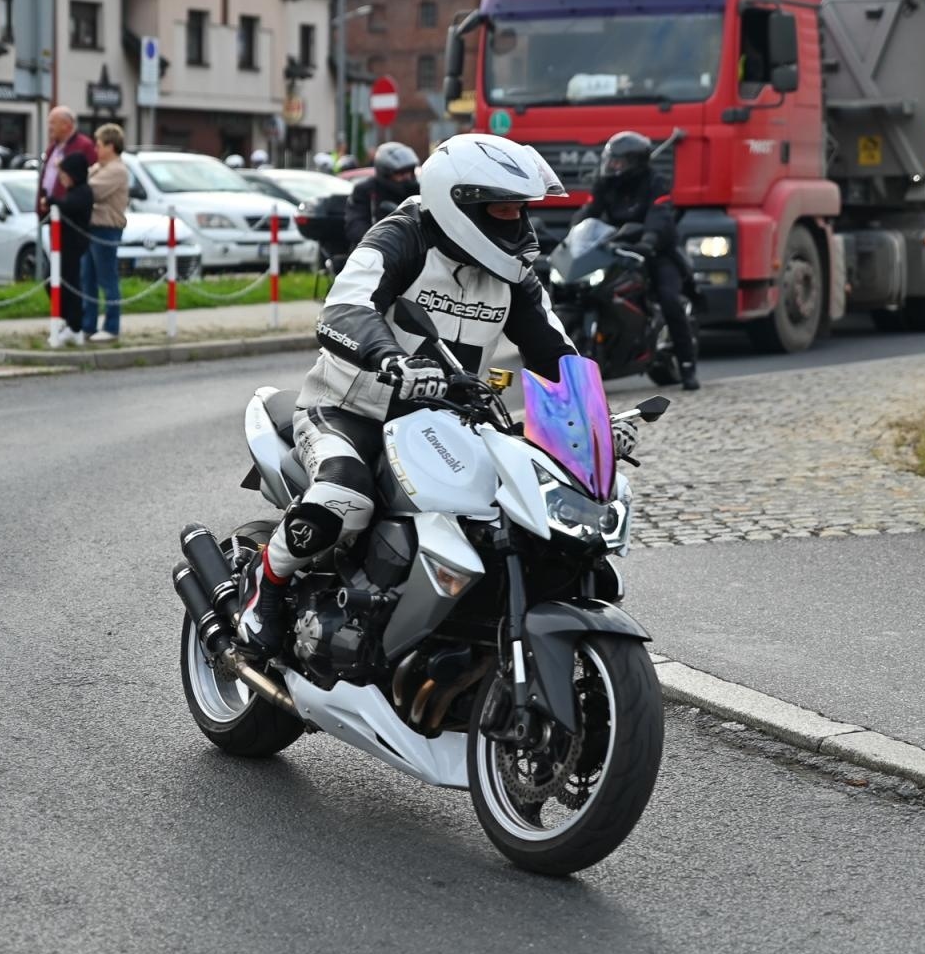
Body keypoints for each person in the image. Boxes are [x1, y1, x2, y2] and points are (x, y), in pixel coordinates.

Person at [234, 133, 641, 655]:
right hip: (349, 410)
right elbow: (343, 309)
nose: (515, 222)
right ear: (457, 202)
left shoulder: (511, 273)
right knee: (346, 497)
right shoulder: (401, 237)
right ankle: (266, 590)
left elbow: (557, 352)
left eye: (520, 209)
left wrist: (596, 422)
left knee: (510, 512)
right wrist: (391, 360)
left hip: (451, 421)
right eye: (501, 209)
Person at [569, 130, 700, 391]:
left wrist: (648, 240)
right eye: (611, 160)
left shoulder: (655, 182)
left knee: (669, 299)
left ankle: (687, 366)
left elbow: (659, 215)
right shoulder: (605, 183)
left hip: (655, 250)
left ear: (635, 162)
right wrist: (574, 235)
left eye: (619, 162)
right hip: (615, 247)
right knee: (585, 290)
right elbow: (589, 212)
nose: (613, 166)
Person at [82, 122, 130, 343]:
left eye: (99, 145)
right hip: (91, 227)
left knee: (106, 279)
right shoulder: (99, 167)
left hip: (106, 229)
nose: (96, 149)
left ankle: (112, 326)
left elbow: (90, 191)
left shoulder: (116, 170)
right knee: (87, 279)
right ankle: (88, 324)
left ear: (111, 146)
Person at [344, 141, 419, 251]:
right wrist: (382, 240)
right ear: (385, 172)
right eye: (401, 173)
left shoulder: (417, 191)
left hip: (412, 252)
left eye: (410, 172)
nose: (407, 177)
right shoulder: (365, 191)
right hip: (373, 251)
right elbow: (355, 226)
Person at [50, 150, 92, 345]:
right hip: (64, 246)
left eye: (64, 175)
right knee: (55, 284)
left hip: (74, 247)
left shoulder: (83, 192)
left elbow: (70, 206)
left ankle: (75, 326)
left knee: (71, 286)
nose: (62, 179)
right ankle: (69, 322)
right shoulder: (73, 191)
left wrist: (52, 201)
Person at [37, 106, 96, 216]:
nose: (49, 127)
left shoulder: (84, 146)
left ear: (66, 125)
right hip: (52, 211)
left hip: (70, 214)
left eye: (52, 123)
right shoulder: (52, 148)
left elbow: (90, 178)